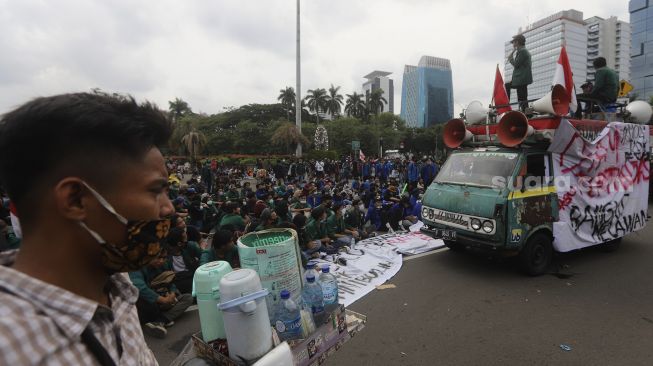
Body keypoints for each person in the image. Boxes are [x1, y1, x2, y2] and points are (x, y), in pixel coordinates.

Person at [0, 92, 172, 364]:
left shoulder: (118, 289)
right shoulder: (11, 346)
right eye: (155, 191)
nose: (168, 209)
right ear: (75, 199)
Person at [130, 245, 193, 339]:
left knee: (188, 298)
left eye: (164, 258)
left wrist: (172, 294)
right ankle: (161, 319)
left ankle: (161, 321)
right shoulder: (137, 267)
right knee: (144, 301)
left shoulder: (164, 264)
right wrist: (162, 300)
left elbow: (170, 281)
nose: (161, 261)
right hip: (150, 303)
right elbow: (140, 287)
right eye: (158, 258)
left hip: (164, 299)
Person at [505, 34, 533, 112]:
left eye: (514, 42)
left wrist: (510, 58)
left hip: (521, 79)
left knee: (522, 97)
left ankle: (507, 104)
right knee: (522, 97)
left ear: (517, 42)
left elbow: (516, 64)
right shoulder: (521, 51)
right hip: (520, 79)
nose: (513, 44)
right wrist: (514, 52)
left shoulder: (523, 51)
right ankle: (525, 111)